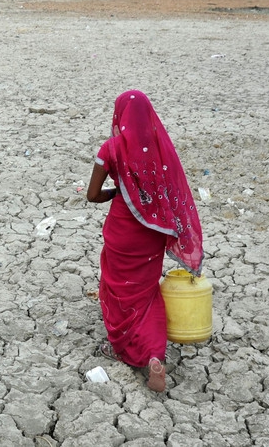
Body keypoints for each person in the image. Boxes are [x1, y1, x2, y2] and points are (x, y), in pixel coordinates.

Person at [86, 90, 203, 393]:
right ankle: (154, 355)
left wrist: (116, 193)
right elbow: (170, 190)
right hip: (151, 234)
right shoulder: (158, 148)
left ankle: (120, 347)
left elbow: (93, 195)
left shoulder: (110, 149)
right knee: (147, 294)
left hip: (121, 233)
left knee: (118, 290)